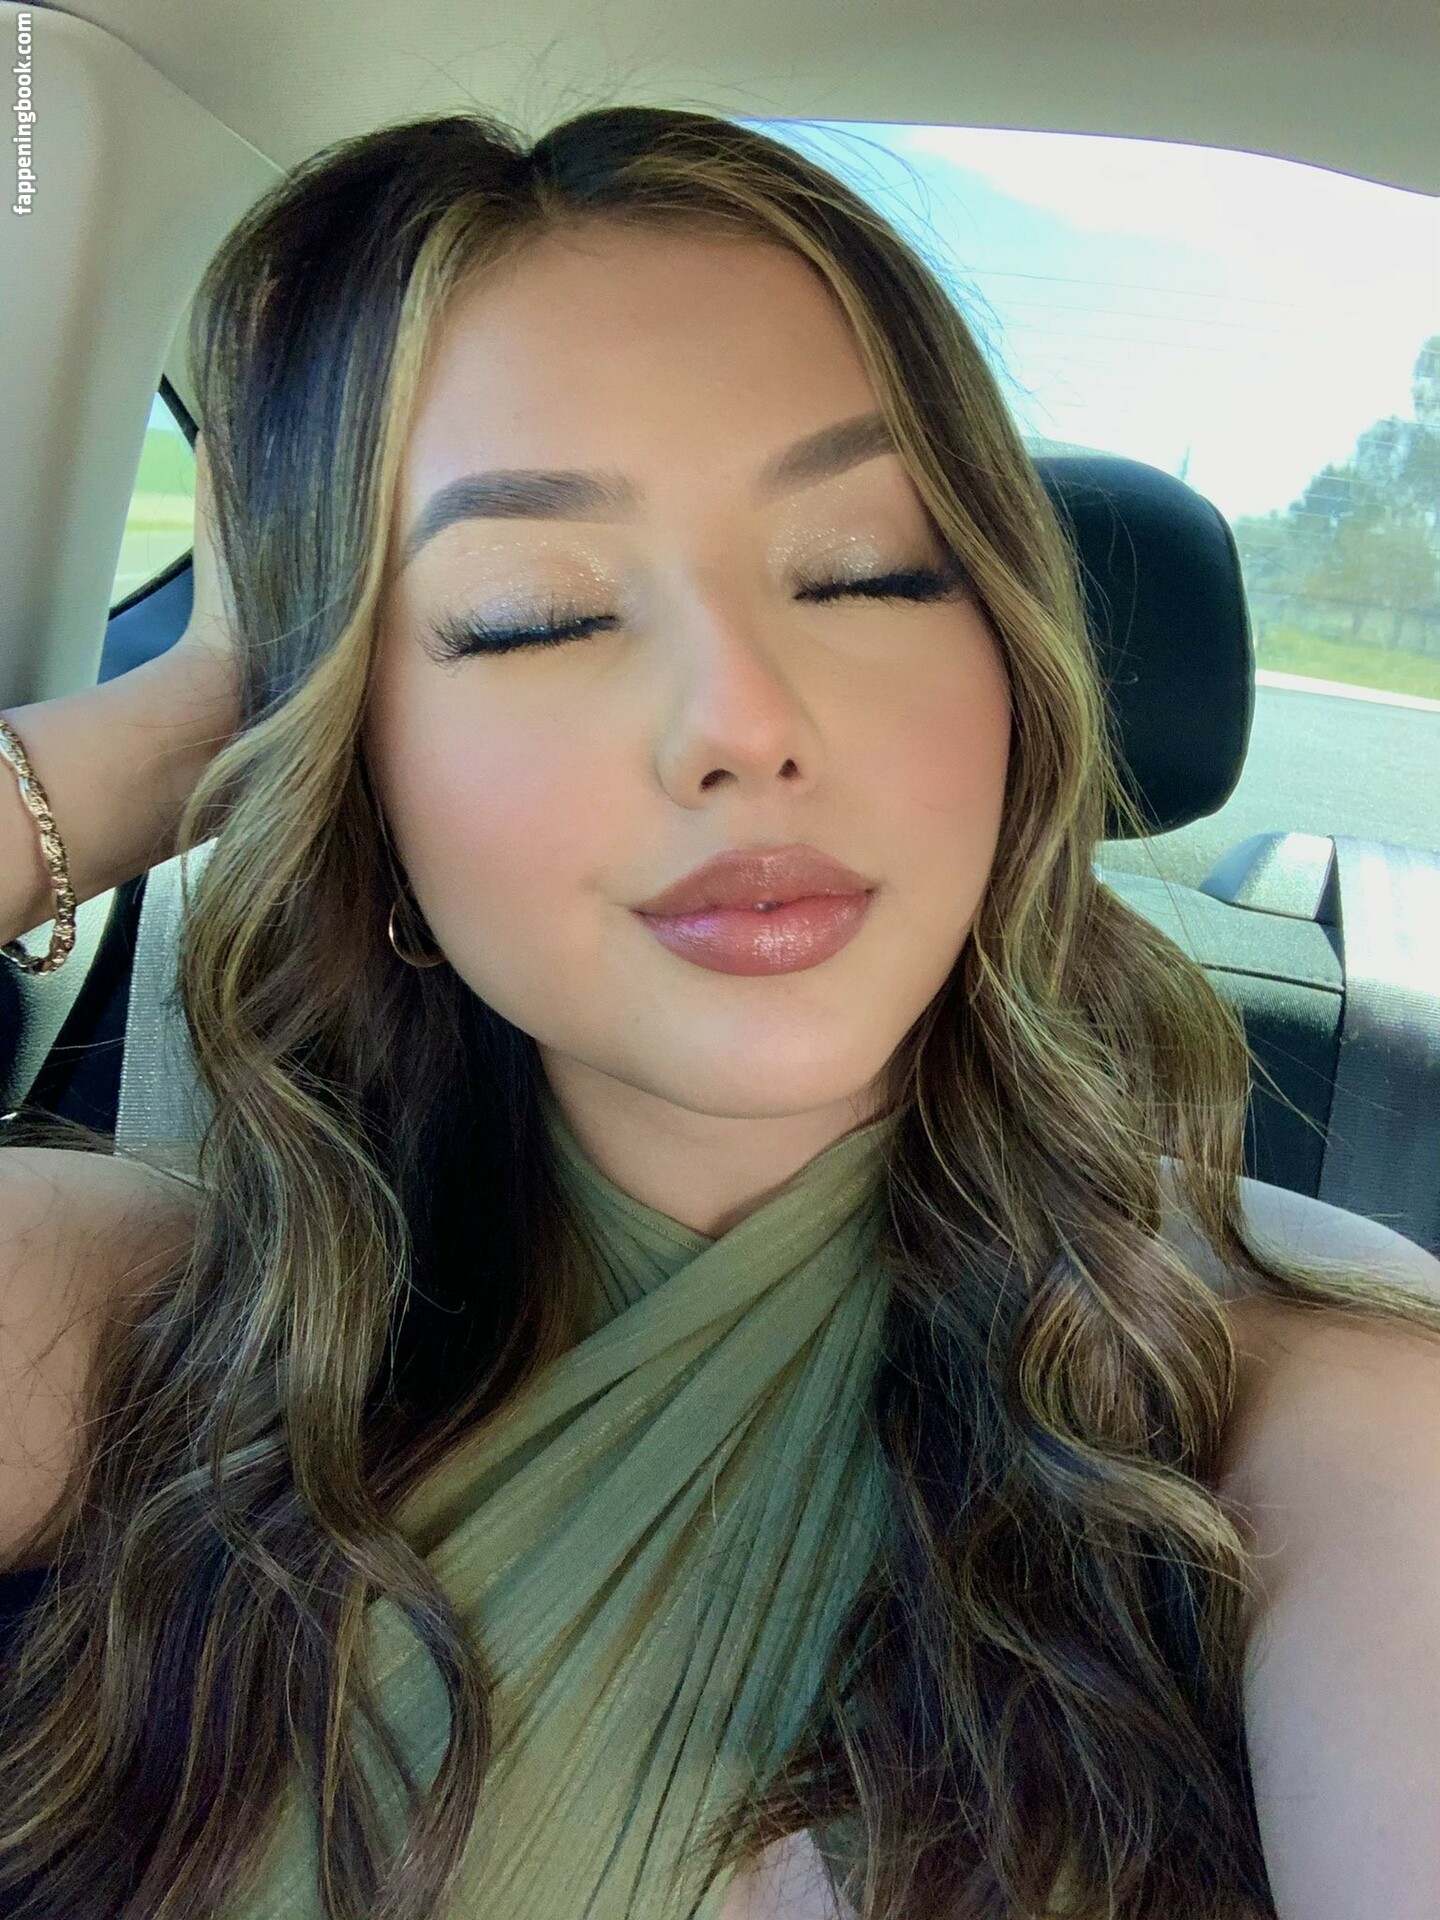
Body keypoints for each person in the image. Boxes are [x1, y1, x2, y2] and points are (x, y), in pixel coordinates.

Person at [0, 105, 1436, 1920]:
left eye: (865, 569)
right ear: (356, 767)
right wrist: (188, 716)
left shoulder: (1311, 1432)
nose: (744, 721)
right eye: (531, 616)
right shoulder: (147, 1327)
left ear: (1009, 663)